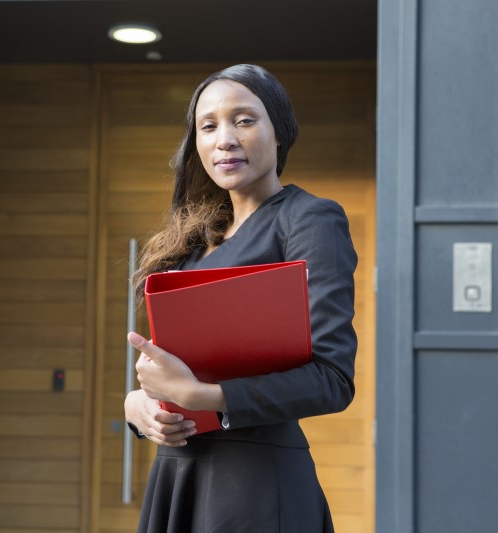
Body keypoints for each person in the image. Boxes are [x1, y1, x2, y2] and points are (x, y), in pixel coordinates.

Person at [124, 64, 358, 533]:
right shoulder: (194, 241)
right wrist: (138, 408)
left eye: (244, 120)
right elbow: (170, 365)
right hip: (177, 474)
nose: (224, 138)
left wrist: (204, 397)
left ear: (279, 131)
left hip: (252, 486)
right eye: (208, 126)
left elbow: (332, 380)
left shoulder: (308, 219)